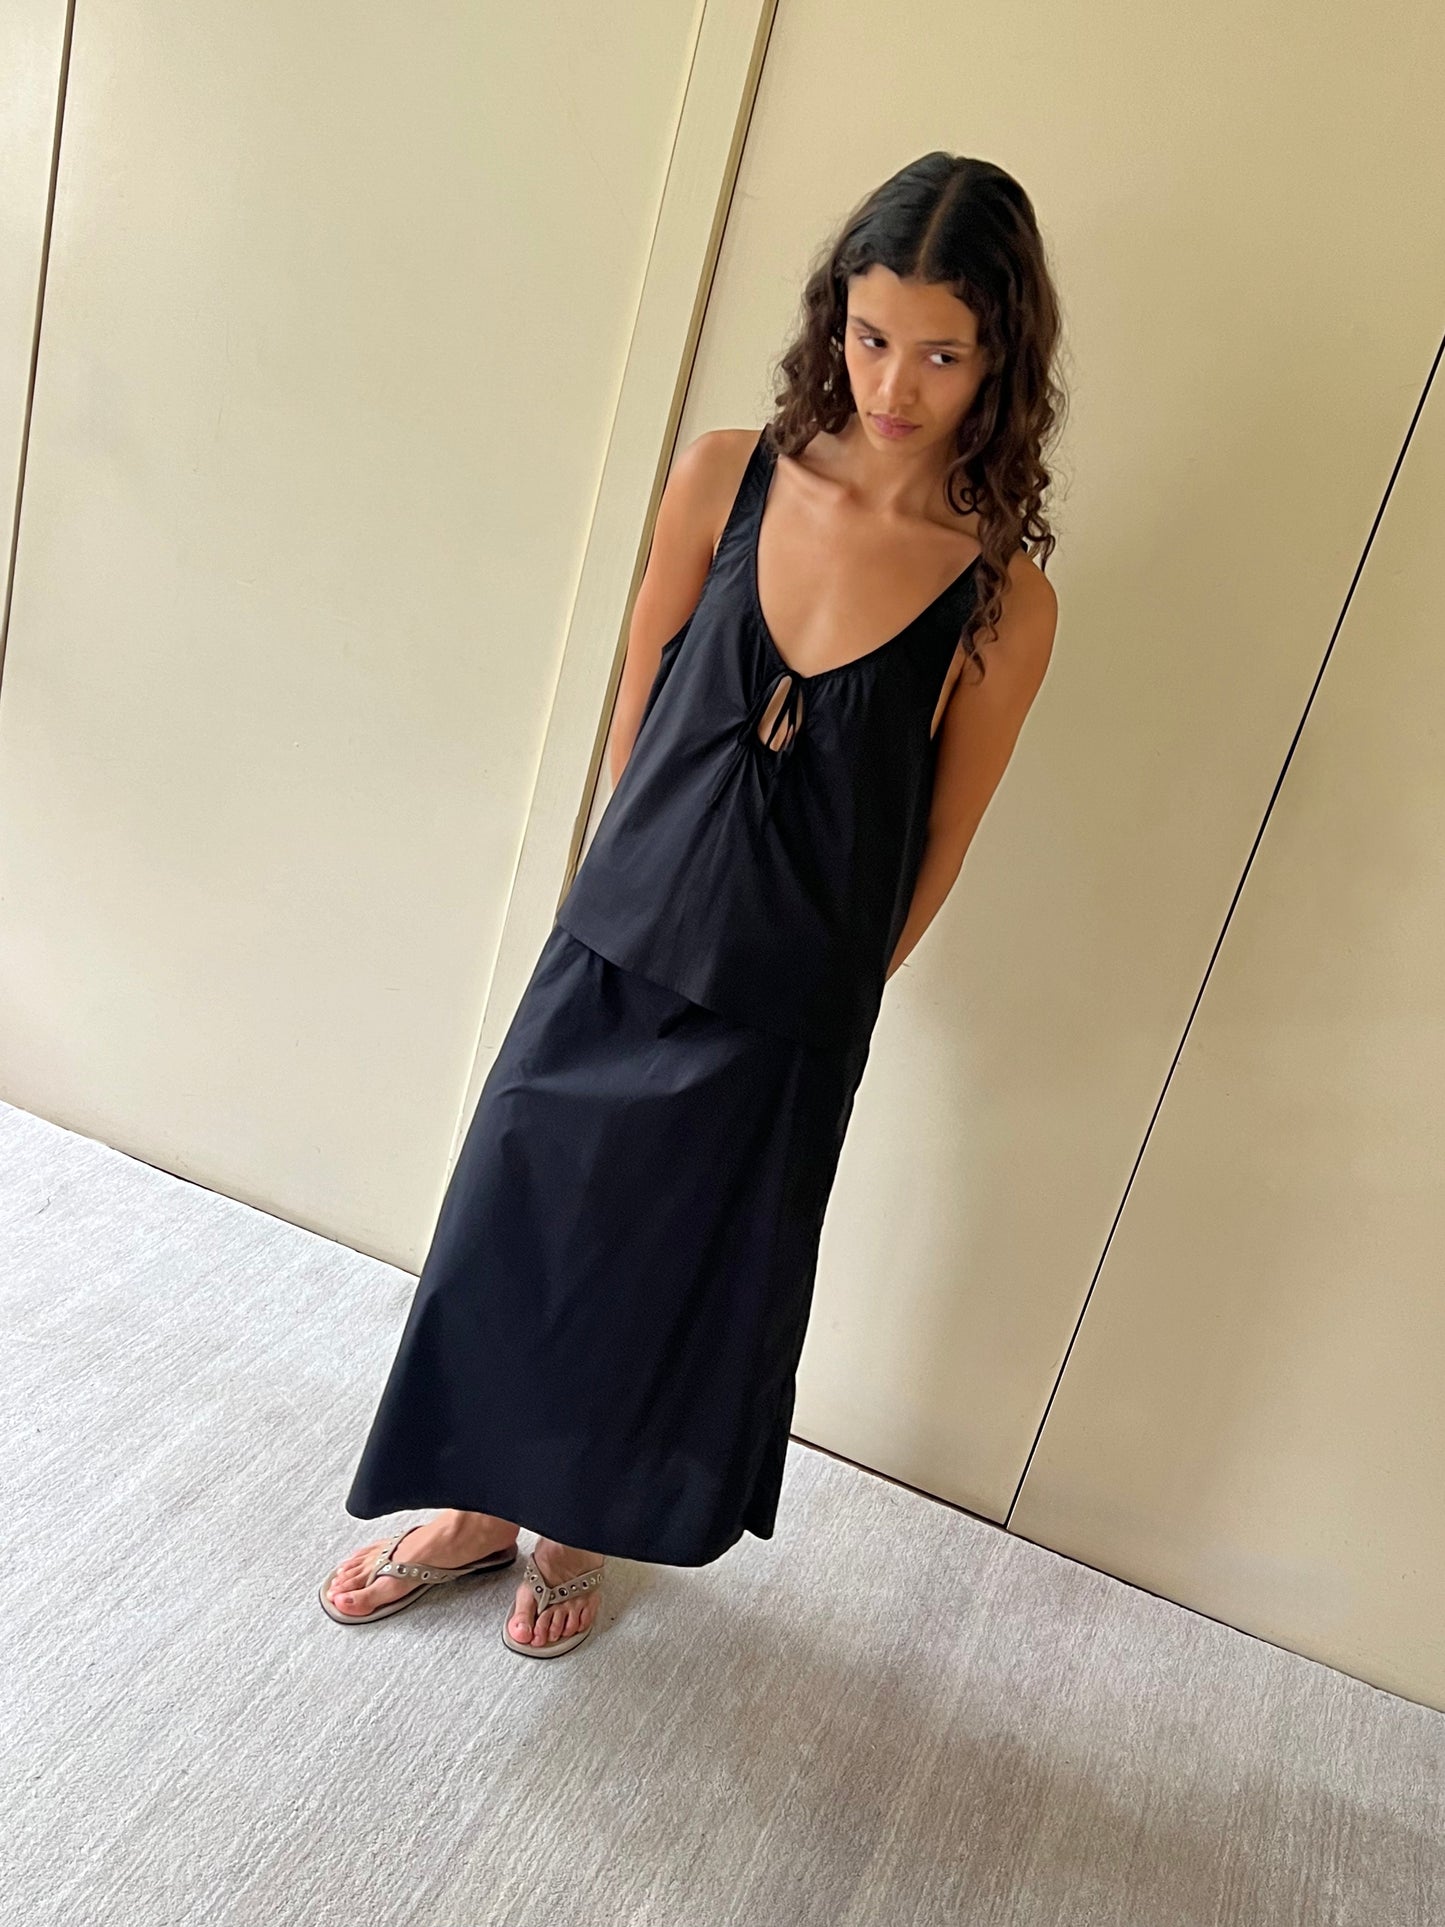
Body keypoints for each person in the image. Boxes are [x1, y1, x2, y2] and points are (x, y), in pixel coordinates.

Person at [319, 150, 1062, 1657]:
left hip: (787, 1005)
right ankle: (470, 1508)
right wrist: (633, 875)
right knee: (514, 1218)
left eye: (938, 351)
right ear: (829, 318)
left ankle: (574, 1521)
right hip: (617, 937)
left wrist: (823, 1002)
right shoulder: (726, 472)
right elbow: (646, 681)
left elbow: (943, 840)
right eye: (867, 335)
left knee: (666, 1270)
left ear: (1000, 358)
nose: (892, 383)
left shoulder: (1000, 594)